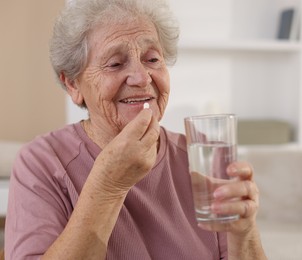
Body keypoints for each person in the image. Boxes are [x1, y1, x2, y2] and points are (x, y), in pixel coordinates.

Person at [5, 0, 267, 259]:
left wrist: (243, 234)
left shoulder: (199, 155)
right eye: (115, 64)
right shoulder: (41, 162)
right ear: (73, 84)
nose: (142, 78)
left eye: (152, 59)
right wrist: (108, 186)